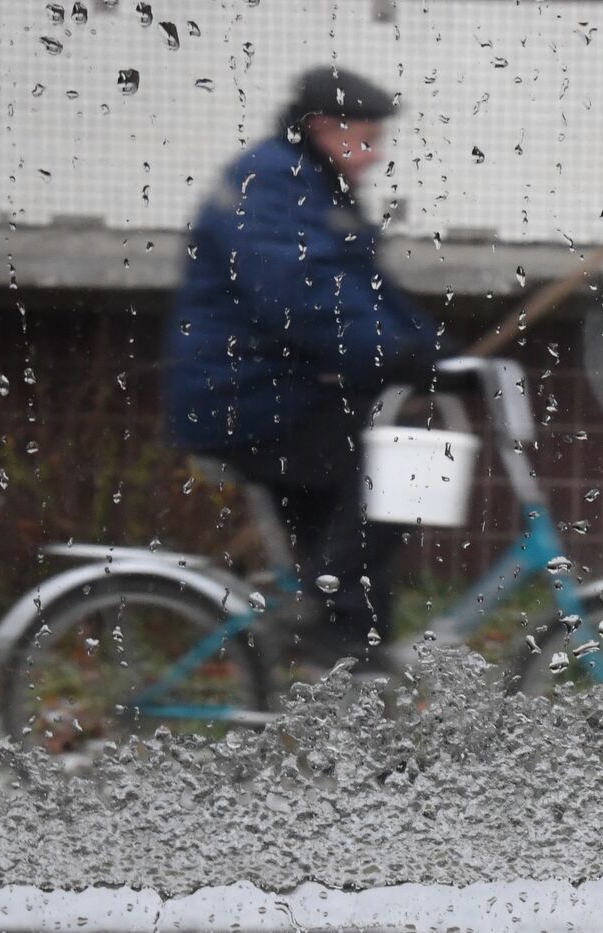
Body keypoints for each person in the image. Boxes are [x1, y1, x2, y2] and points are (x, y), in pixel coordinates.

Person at [164, 66, 445, 670]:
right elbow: (302, 293)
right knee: (399, 467)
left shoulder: (309, 186)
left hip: (275, 395)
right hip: (244, 400)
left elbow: (366, 291)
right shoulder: (269, 186)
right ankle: (335, 624)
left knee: (353, 554)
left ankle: (353, 675)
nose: (375, 157)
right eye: (366, 140)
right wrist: (393, 355)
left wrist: (434, 350)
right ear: (322, 129)